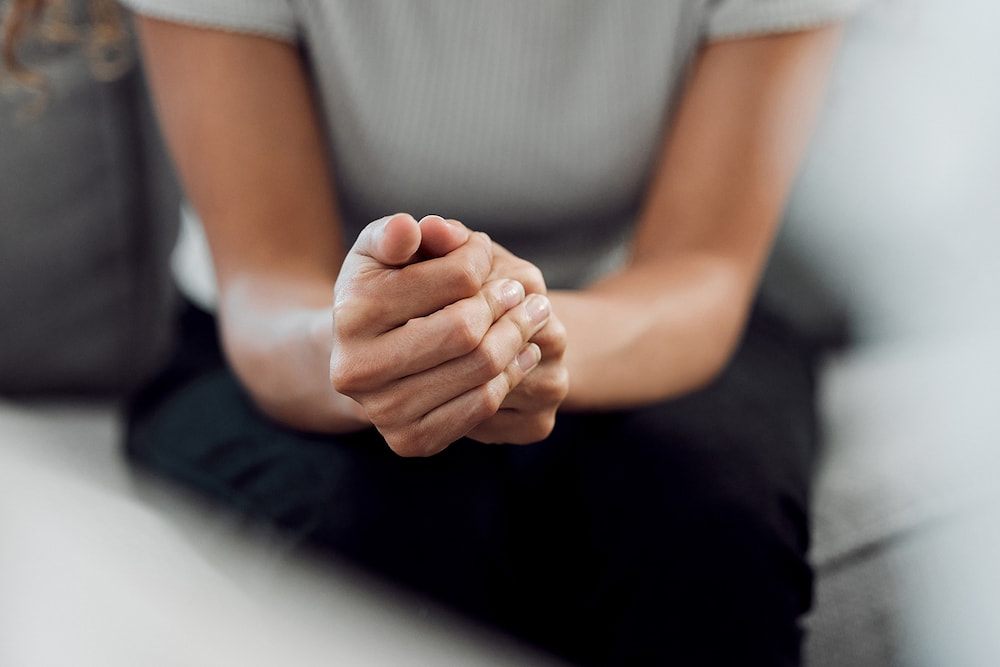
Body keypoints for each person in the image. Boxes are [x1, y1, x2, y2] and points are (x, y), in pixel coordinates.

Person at [6, 1, 863, 664]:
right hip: (294, 330)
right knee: (382, 548)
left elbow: (702, 267)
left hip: (634, 307)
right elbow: (269, 277)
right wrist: (368, 347)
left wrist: (515, 333)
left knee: (709, 539)